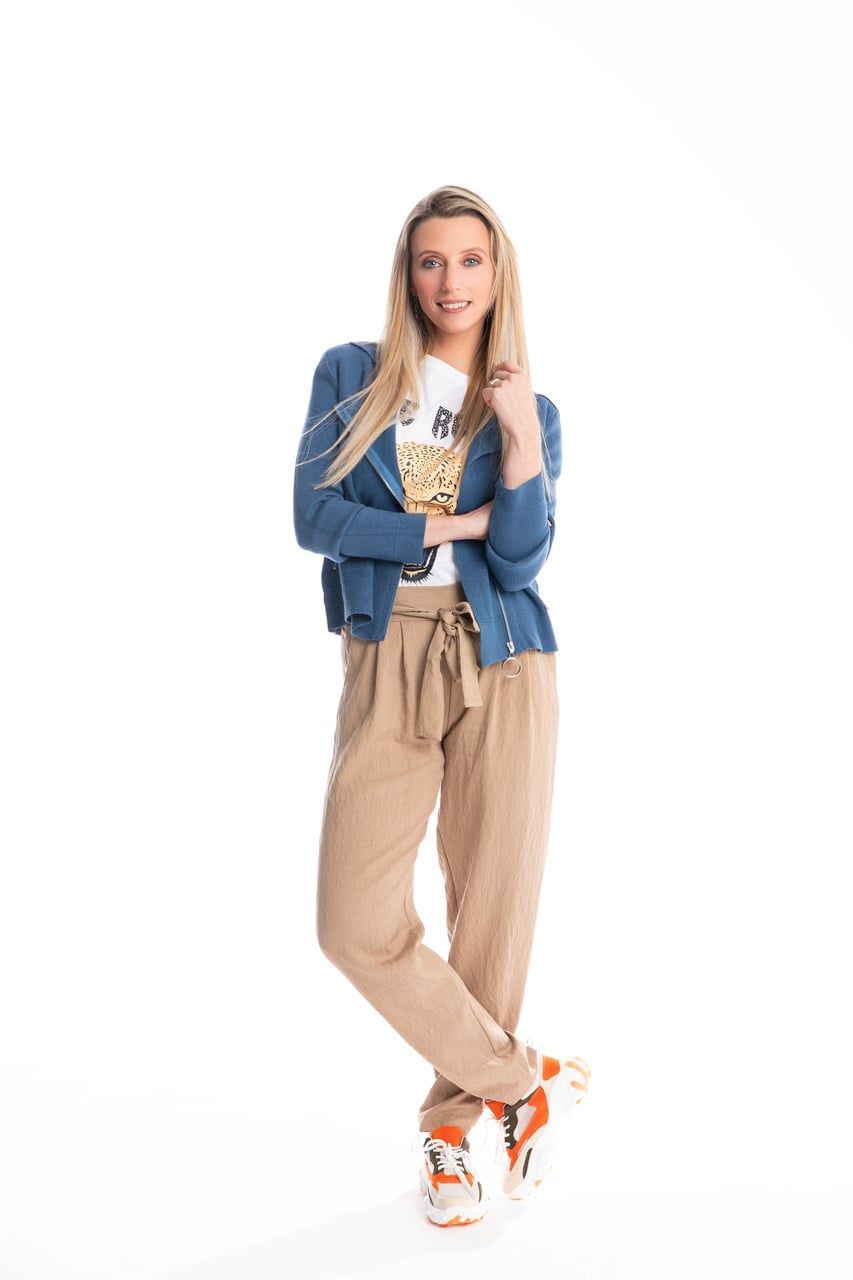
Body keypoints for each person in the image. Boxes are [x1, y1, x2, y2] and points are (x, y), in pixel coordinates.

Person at [293, 185, 590, 1226]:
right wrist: (443, 525)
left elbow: (519, 554)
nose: (449, 281)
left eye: (469, 260)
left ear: (496, 274)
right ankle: (520, 1080)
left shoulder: (532, 410)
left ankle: (453, 1135)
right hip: (389, 652)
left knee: (490, 908)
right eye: (430, 260)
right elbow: (313, 516)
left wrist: (519, 440)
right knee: (352, 922)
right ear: (406, 272)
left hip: (504, 658)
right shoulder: (351, 376)